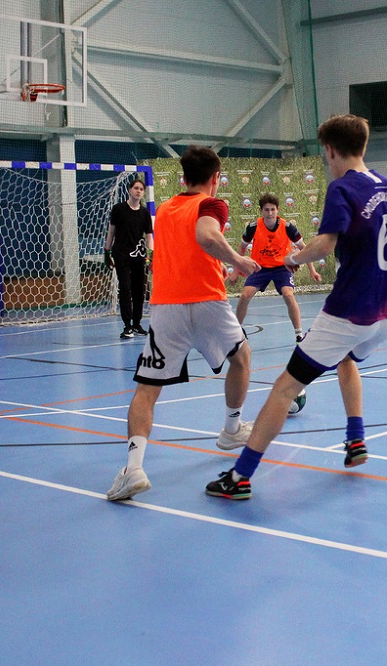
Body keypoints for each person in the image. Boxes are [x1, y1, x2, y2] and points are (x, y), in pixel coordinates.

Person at [205, 114, 387, 501]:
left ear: (330, 151)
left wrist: (293, 259)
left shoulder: (342, 188)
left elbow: (325, 245)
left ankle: (240, 477)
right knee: (345, 359)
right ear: (363, 146)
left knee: (284, 389)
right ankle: (356, 438)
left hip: (350, 311)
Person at [106, 146, 262, 501]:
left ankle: (133, 469)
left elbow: (183, 250)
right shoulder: (212, 204)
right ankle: (231, 428)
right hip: (207, 302)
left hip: (167, 308)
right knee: (241, 358)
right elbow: (206, 236)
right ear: (215, 178)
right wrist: (237, 259)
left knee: (147, 390)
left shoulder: (164, 209)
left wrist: (220, 263)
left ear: (183, 177)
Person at [232, 193, 322, 342]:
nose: (270, 213)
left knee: (288, 295)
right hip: (260, 267)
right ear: (261, 211)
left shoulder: (287, 227)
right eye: (266, 210)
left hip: (282, 268)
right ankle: (236, 332)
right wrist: (236, 271)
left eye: (272, 209)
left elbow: (304, 248)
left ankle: (299, 334)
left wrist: (312, 270)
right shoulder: (253, 227)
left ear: (277, 210)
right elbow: (241, 248)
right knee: (245, 295)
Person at [104, 179, 154, 339]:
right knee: (125, 288)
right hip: (121, 254)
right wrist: (107, 251)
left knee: (139, 290)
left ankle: (137, 323)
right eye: (136, 188)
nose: (139, 191)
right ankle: (127, 325)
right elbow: (111, 231)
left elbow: (149, 235)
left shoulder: (145, 213)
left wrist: (151, 254)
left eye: (141, 189)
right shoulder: (118, 209)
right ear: (130, 190)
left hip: (139, 256)